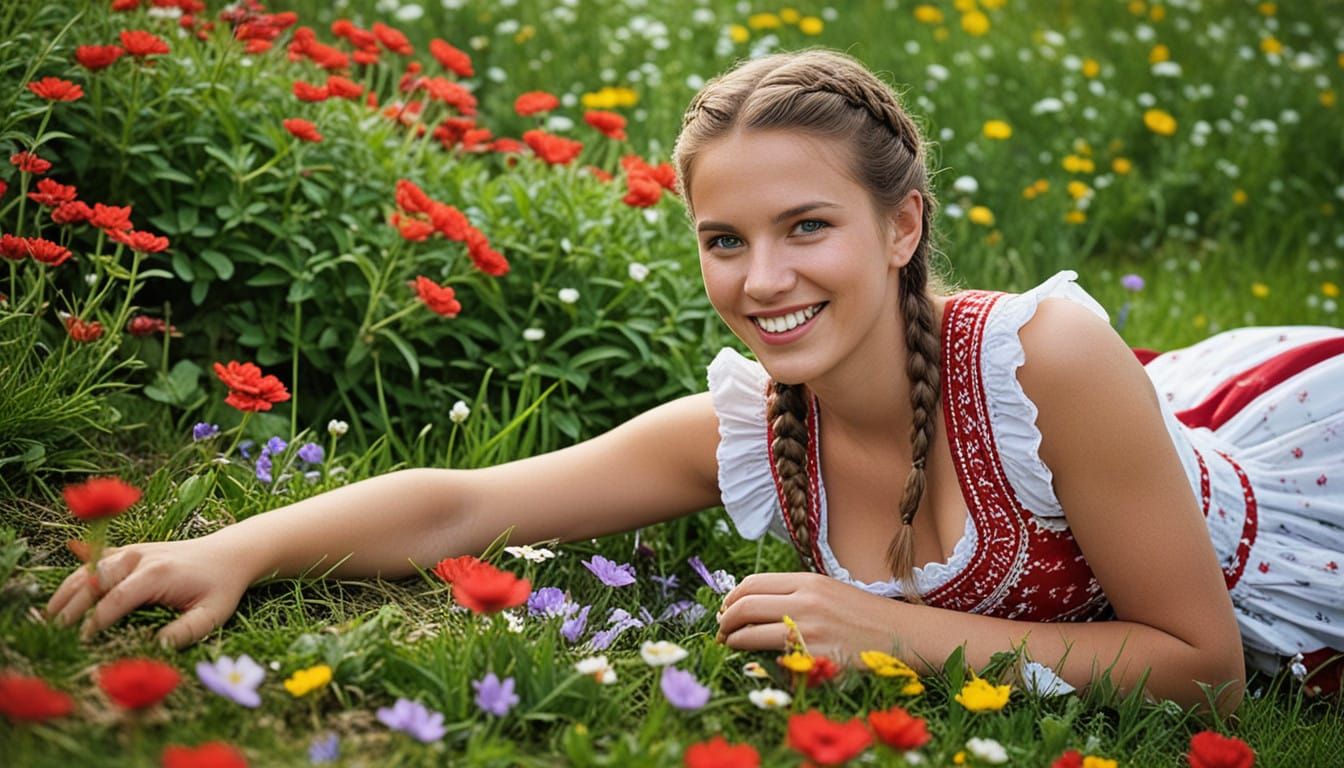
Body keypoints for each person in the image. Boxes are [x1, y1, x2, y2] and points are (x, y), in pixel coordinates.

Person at [46, 49, 1342, 715]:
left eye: (807, 227)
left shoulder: (1041, 358)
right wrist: (243, 550)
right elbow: (471, 504)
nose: (761, 278)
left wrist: (897, 631)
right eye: (725, 240)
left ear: (901, 229)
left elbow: (1205, 672)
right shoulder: (764, 427)